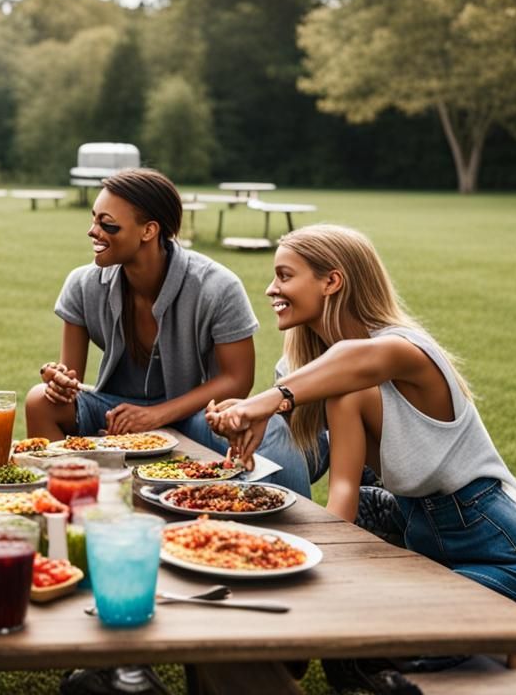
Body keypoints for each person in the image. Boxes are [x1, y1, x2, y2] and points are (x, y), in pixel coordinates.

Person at [207, 224, 516, 600]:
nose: (271, 289)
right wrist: (255, 421)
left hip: (495, 537)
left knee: (408, 643)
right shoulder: (303, 370)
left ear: (332, 281)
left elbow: (354, 358)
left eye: (284, 276)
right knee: (357, 657)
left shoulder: (404, 348)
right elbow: (340, 482)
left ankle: (498, 641)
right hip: (419, 525)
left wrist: (265, 401)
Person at [23, 169, 314, 496]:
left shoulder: (216, 286)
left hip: (195, 413)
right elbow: (70, 379)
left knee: (272, 429)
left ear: (149, 230)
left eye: (108, 224)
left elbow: (237, 379)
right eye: (94, 220)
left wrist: (155, 416)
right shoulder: (82, 283)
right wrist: (60, 382)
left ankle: (297, 522)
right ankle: (67, 501)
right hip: (114, 411)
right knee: (39, 401)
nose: (93, 231)